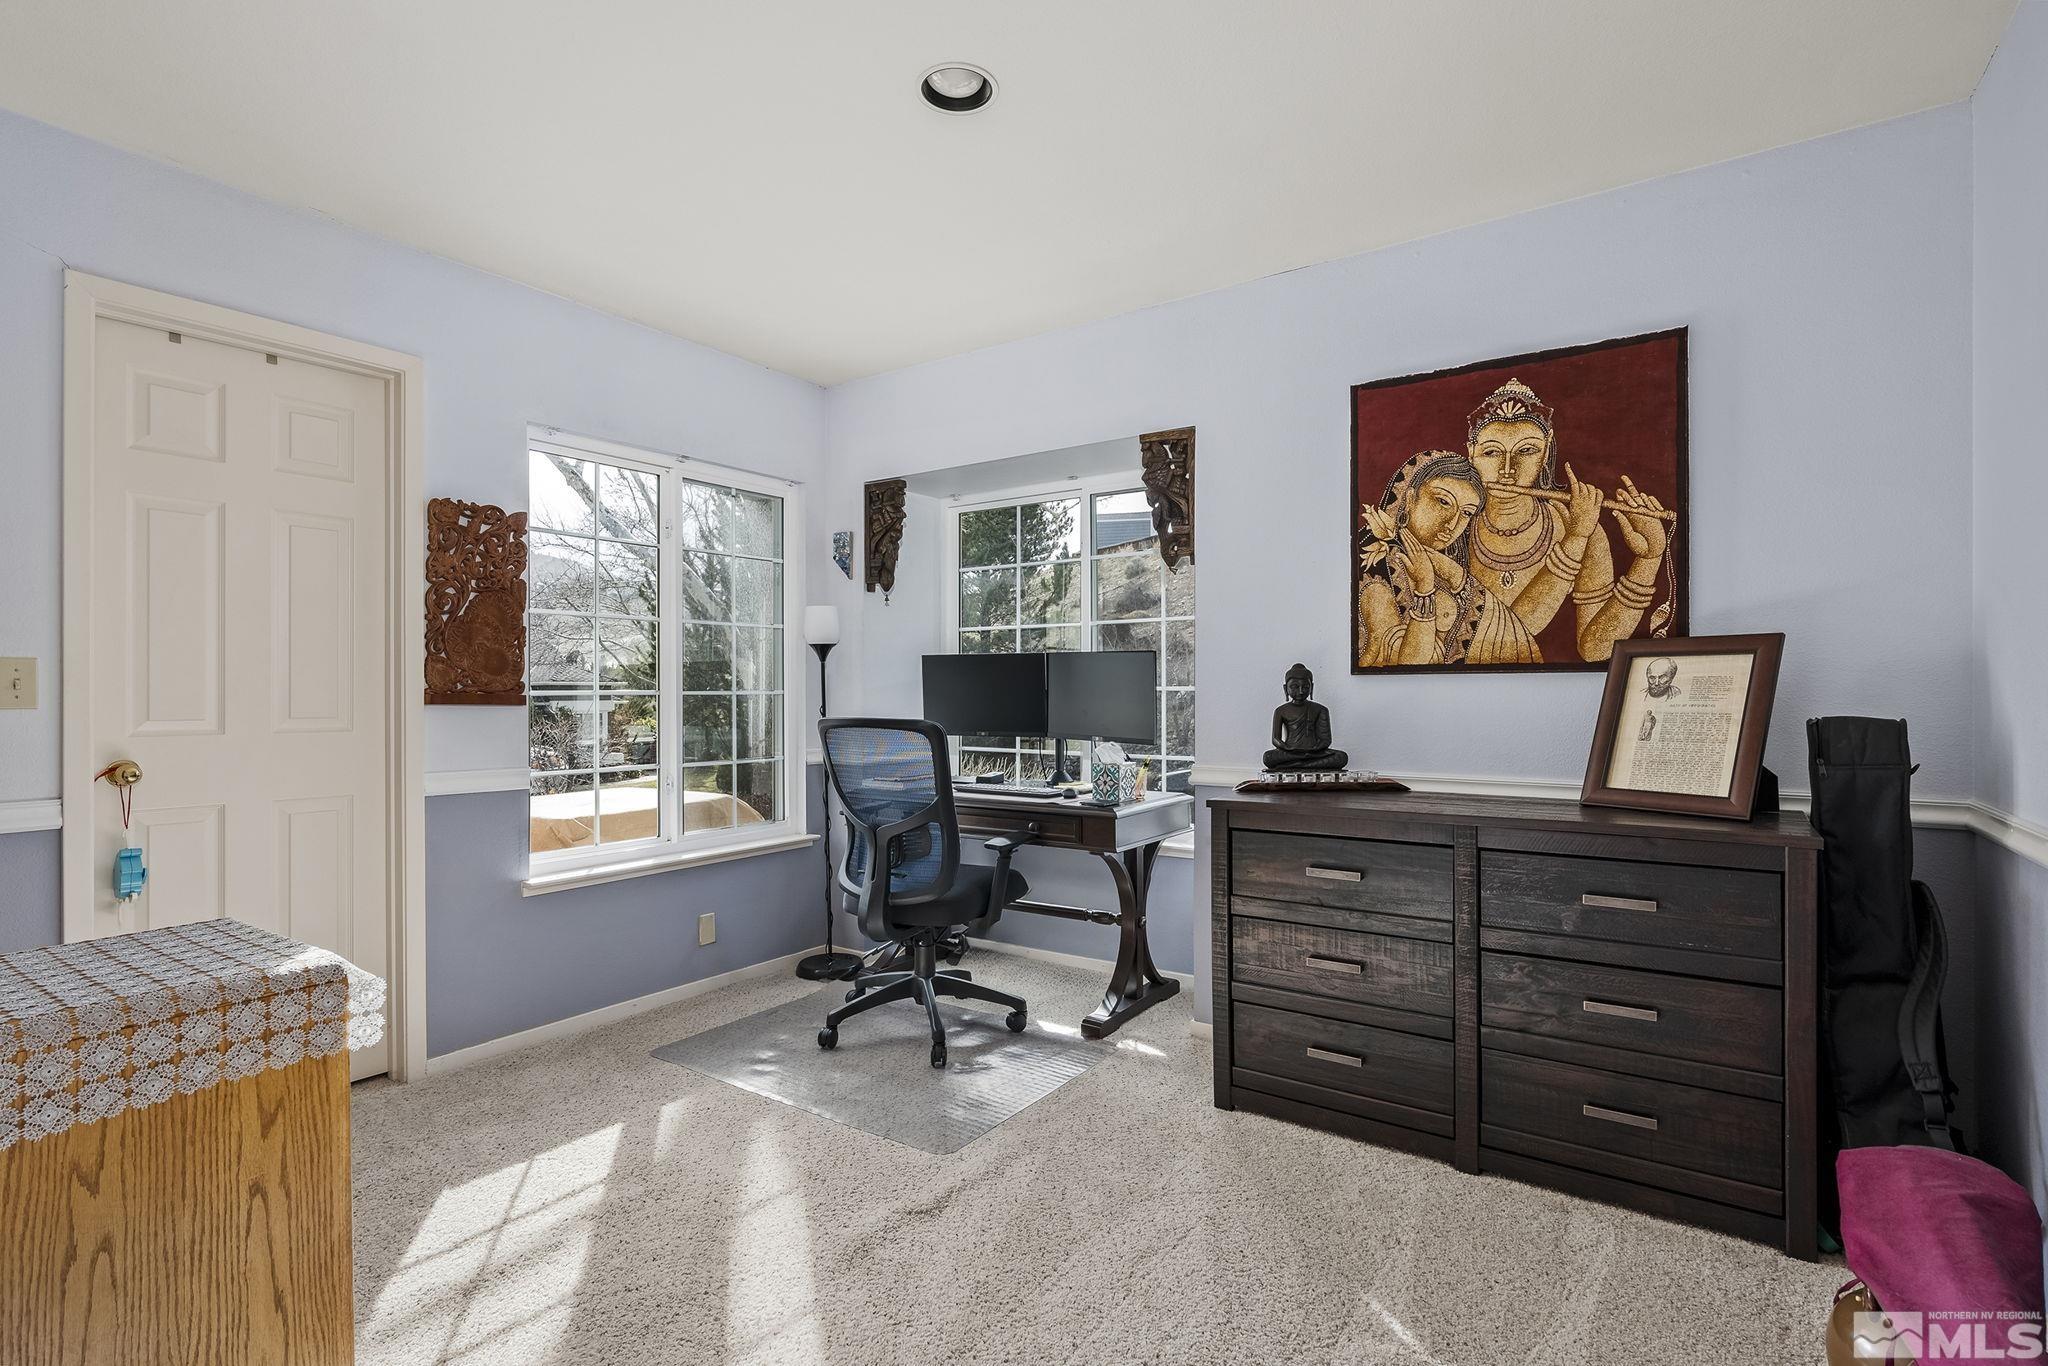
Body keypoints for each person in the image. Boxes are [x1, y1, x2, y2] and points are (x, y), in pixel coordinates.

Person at [1461, 378, 1673, 663]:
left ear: (1546, 451)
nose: (1507, 471)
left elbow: (1596, 650)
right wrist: (1574, 541)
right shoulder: (1452, 528)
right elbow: (1507, 636)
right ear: (1471, 453)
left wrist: (1648, 560)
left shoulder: (1577, 524)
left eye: (1526, 451)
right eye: (1491, 452)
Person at [1355, 451, 1528, 667]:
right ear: (1410, 498)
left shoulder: (1442, 567)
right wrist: (1425, 588)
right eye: (1443, 502)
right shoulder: (1374, 568)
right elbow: (1404, 665)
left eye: (1466, 513)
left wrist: (1450, 572)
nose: (1453, 523)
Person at [1264, 663, 1348, 771]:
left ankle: (1294, 766)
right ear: (1285, 689)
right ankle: (1305, 764)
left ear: (1311, 687)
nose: (1300, 691)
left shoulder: (1321, 709)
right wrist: (1288, 748)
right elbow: (1276, 739)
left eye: (1305, 687)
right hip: (1291, 752)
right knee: (1268, 757)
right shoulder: (1280, 710)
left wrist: (1314, 750)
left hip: (1314, 753)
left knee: (1341, 757)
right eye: (1294, 687)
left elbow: (1326, 740)